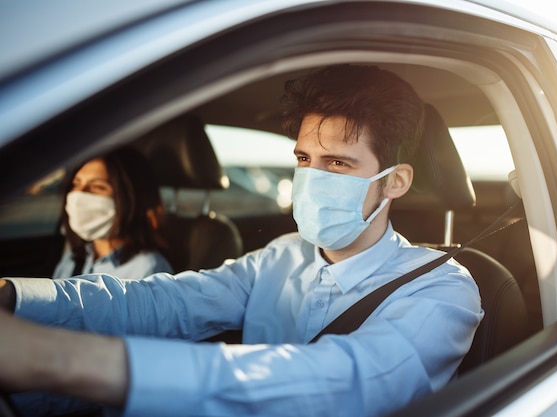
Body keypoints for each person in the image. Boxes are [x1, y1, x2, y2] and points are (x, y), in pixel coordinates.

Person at [0, 64, 483, 417]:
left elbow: (349, 382)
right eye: (303, 159)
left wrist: (56, 359)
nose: (311, 178)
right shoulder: (281, 256)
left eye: (337, 163)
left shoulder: (442, 289)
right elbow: (161, 300)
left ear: (395, 182)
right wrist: (16, 298)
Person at [52, 146, 173, 279]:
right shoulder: (74, 257)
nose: (80, 193)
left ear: (129, 199)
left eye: (98, 187)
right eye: (76, 184)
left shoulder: (149, 269)